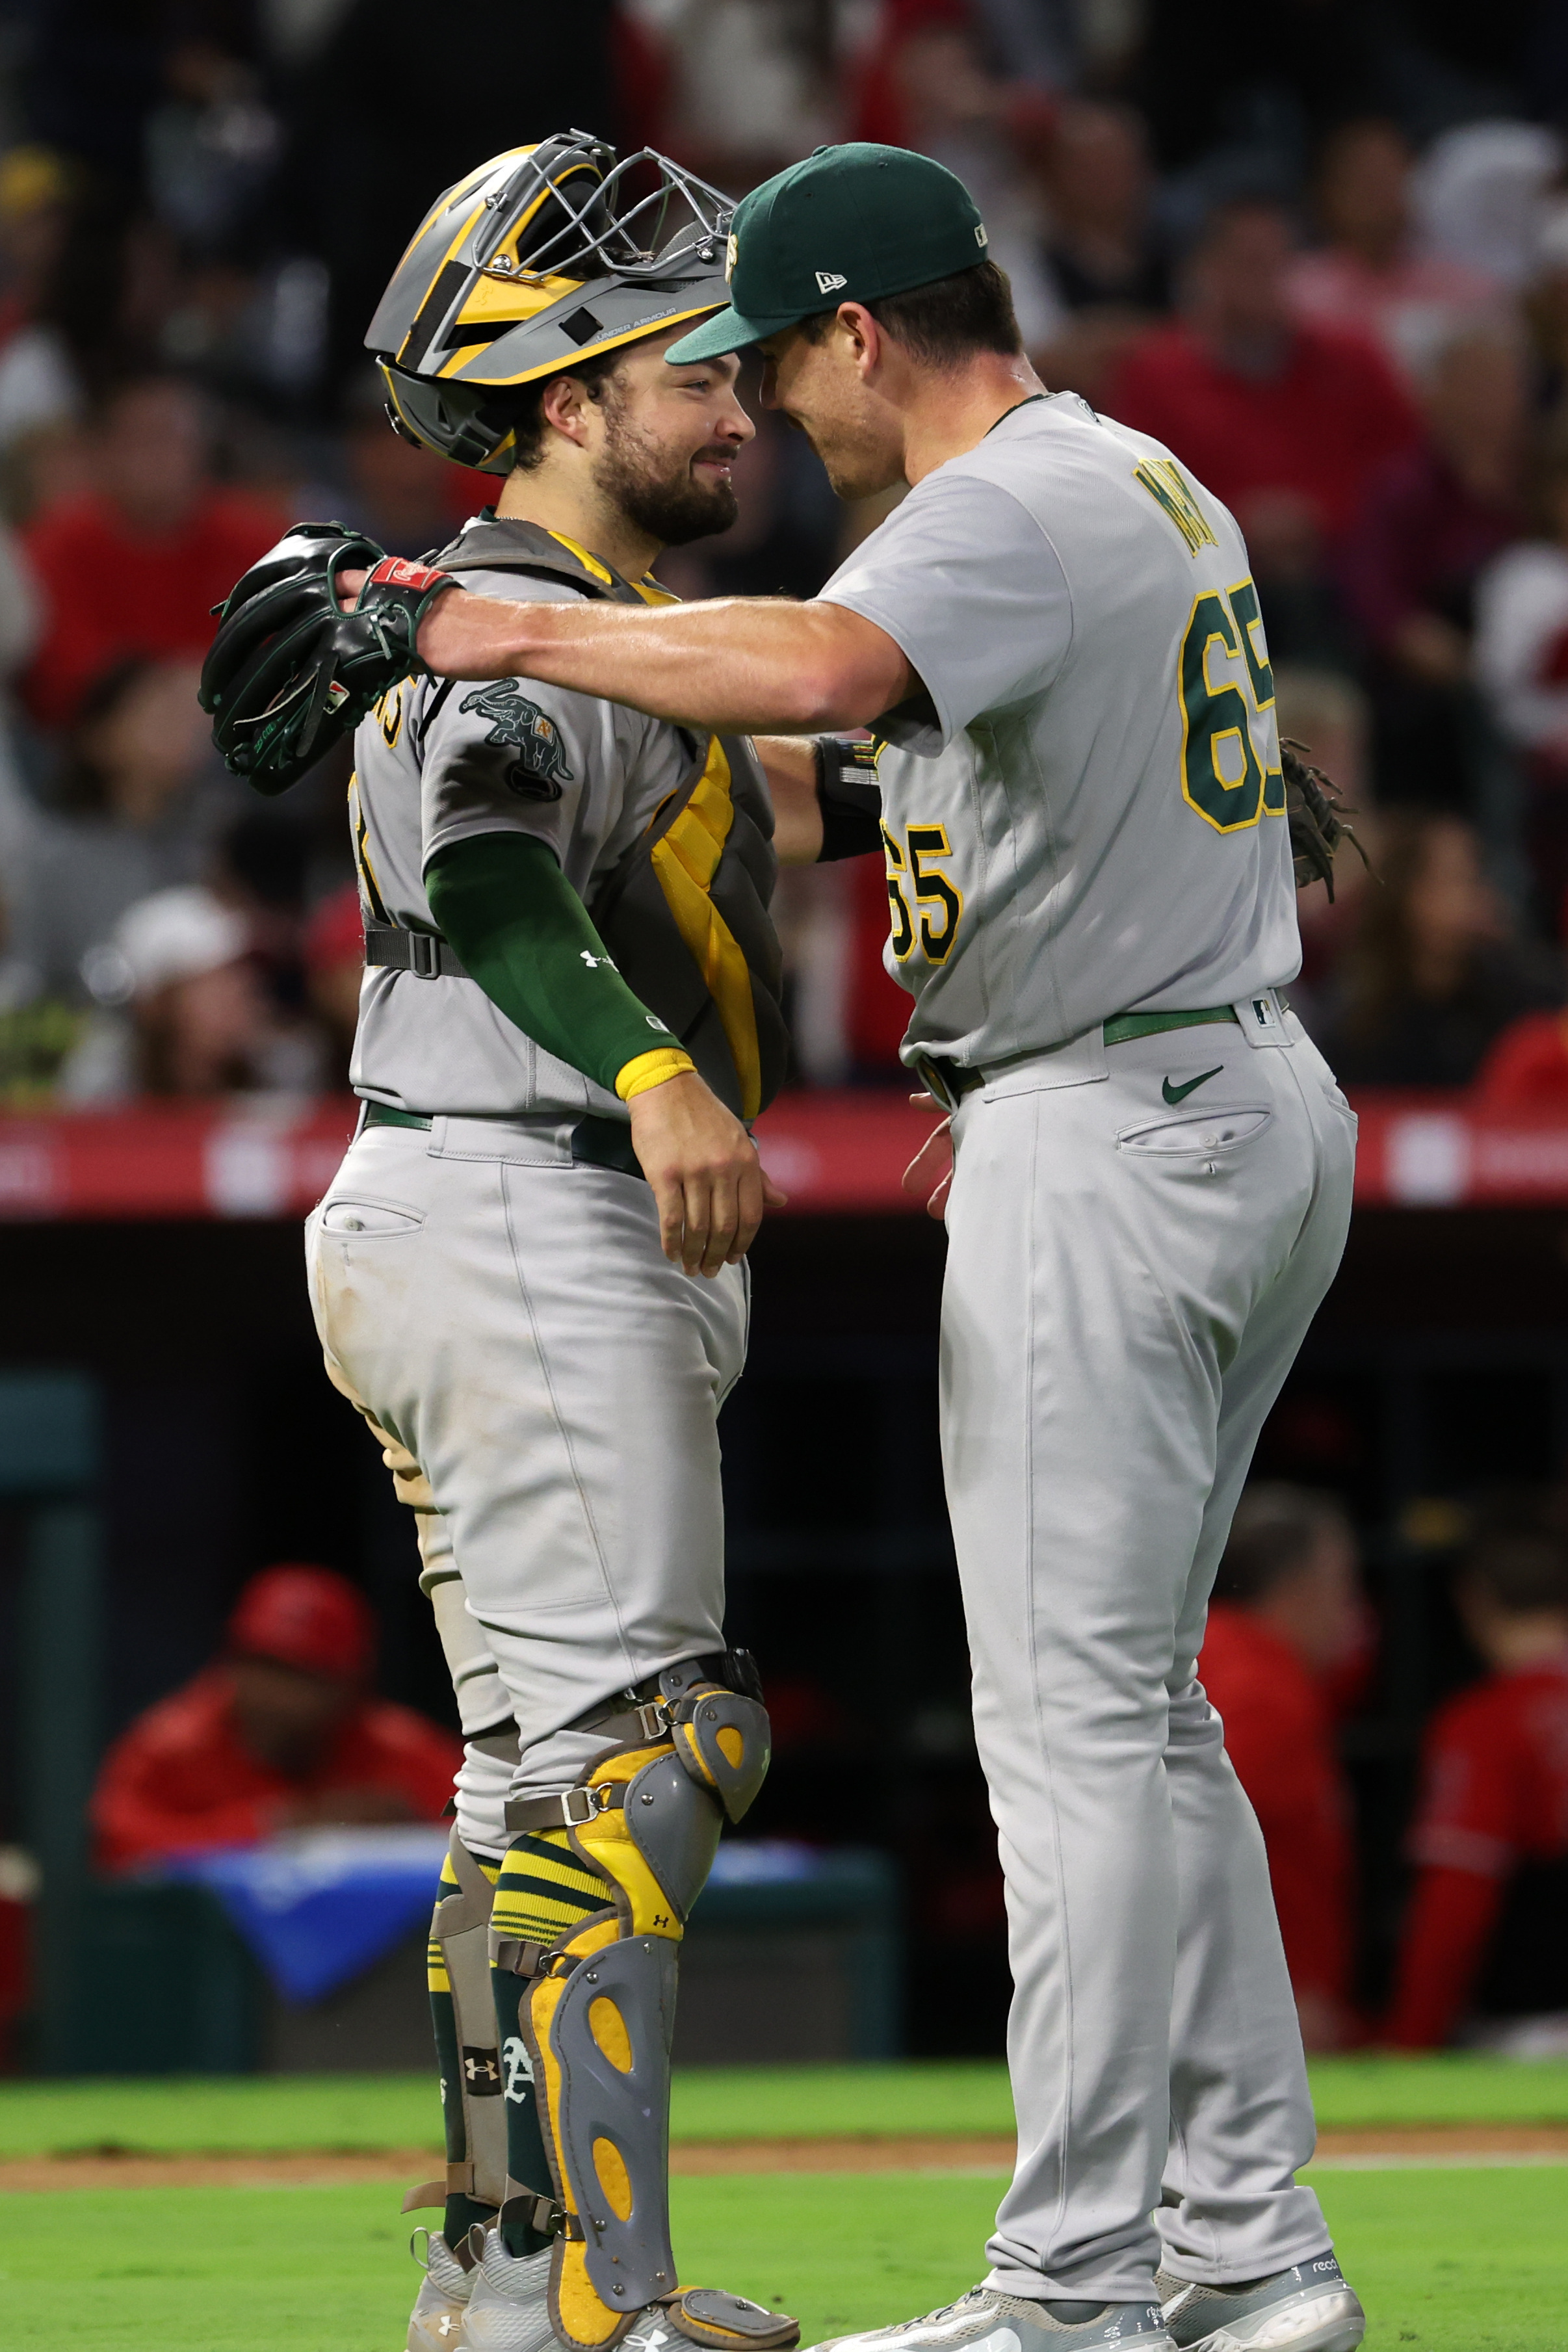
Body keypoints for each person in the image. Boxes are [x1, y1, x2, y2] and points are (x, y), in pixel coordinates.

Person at [384, 136, 1366, 2352]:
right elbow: (853, 768)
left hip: (1112, 1113)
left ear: (855, 328)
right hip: (1207, 1083)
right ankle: (1254, 2249)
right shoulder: (1136, 472)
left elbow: (825, 676)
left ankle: (1077, 2281)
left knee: (1071, 1734)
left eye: (772, 352)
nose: (760, 405)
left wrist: (499, 617)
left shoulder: (994, 503)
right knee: (1153, 1718)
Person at [208, 134, 803, 2352]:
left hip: (483, 1196)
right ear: (566, 395)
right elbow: (496, 869)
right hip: (528, 1177)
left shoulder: (585, 614)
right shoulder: (511, 619)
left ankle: (494, 2269)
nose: (735, 402)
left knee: (531, 1778)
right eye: (687, 370)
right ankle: (593, 2292)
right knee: (648, 1746)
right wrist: (649, 1074)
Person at [1108, 198, 1420, 567]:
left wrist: (1323, 515)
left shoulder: (1353, 358)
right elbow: (1133, 492)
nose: (1264, 279)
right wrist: (1234, 520)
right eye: (1247, 263)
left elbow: (1405, 470)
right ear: (1206, 271)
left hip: (1346, 566)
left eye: (1278, 262)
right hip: (1205, 568)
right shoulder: (1153, 373)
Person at [92, 1563, 460, 1873]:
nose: (274, 1695)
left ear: (349, 1686)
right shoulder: (174, 1743)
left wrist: (410, 1832)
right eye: (260, 1667)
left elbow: (495, 1830)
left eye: (302, 1676)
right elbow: (115, 1843)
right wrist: (274, 1828)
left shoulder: (390, 1743)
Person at [1387, 1523, 1568, 2048]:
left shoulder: (1486, 1723)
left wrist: (1411, 2041)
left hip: (1536, 2036)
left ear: (1474, 1600)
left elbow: (1457, 1899)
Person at [1197, 1488, 1365, 2052]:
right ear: (1303, 1586)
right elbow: (1199, 1848)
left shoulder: (1220, 1655)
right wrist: (1276, 1992)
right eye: (1344, 1585)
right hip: (1255, 2013)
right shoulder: (1260, 1687)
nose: (1355, 1613)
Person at [21, 373, 281, 726]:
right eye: (142, 441)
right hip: (89, 741)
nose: (160, 459)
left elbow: (290, 654)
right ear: (104, 453)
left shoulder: (260, 540)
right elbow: (54, 672)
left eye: (175, 439)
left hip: (233, 737)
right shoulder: (55, 544)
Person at [1311, 811, 1561, 1088]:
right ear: (1405, 895)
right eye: (1452, 880)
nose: (1470, 897)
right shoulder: (1357, 1020)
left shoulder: (1514, 993)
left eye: (1474, 878)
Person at [1286, 120, 1499, 384]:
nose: (1378, 191)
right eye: (1363, 179)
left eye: (1389, 174)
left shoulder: (1468, 290)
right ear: (1329, 193)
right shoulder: (1296, 297)